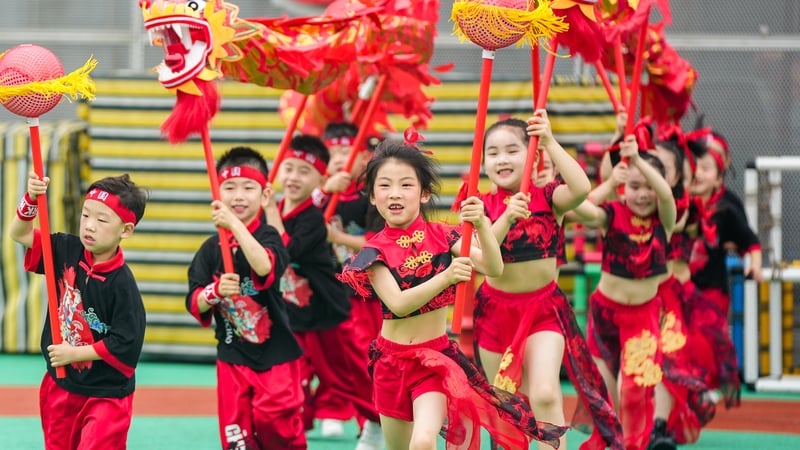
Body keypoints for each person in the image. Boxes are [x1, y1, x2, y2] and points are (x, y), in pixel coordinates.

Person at [338, 140, 568, 450]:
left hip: (434, 360)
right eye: (385, 185)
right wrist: (446, 276)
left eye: (406, 185)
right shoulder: (372, 252)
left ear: (424, 193)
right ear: (374, 196)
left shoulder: (443, 236)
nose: (395, 193)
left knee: (423, 441)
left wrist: (482, 225)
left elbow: (492, 265)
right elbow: (399, 304)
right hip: (390, 363)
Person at [472, 113, 622, 450]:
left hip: (543, 309)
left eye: (512, 150)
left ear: (531, 155)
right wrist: (508, 216)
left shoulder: (549, 196)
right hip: (495, 312)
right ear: (482, 162)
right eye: (493, 153)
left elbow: (582, 189)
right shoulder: (479, 206)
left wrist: (550, 140)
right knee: (505, 401)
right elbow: (482, 257)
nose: (502, 159)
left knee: (544, 392)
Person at [9, 172, 148, 450]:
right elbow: (19, 233)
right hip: (61, 386)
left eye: (102, 219)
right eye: (86, 215)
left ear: (126, 230)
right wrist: (31, 199)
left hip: (106, 394)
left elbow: (126, 342)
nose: (90, 226)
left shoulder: (122, 284)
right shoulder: (65, 248)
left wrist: (75, 353)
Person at [263, 134, 382, 449]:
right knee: (283, 382)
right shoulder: (274, 209)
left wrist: (270, 213)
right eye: (288, 168)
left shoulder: (313, 219)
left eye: (304, 171)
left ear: (320, 178)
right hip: (292, 315)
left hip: (328, 316)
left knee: (348, 380)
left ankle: (378, 423)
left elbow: (282, 252)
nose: (292, 177)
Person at [185, 146, 305, 449]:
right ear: (217, 194)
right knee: (237, 437)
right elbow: (194, 301)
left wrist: (234, 226)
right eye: (229, 188)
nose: (238, 196)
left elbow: (265, 267)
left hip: (275, 354)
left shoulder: (269, 236)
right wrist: (214, 293)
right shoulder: (210, 249)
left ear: (265, 196)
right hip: (232, 356)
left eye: (248, 188)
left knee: (275, 424)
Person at [571, 135, 677, 450]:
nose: (642, 194)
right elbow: (578, 209)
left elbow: (667, 196)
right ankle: (606, 443)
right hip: (605, 314)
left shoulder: (665, 220)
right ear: (623, 189)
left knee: (633, 390)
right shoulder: (611, 215)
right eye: (633, 186)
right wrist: (611, 182)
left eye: (648, 186)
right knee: (604, 393)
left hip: (642, 317)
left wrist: (638, 161)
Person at [306, 122, 384, 444]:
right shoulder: (319, 195)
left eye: (346, 151)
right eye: (333, 152)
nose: (339, 158)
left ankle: (373, 418)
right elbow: (297, 218)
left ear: (363, 158)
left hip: (364, 295)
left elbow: (377, 240)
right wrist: (325, 192)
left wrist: (337, 236)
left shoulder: (372, 196)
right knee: (316, 359)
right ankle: (318, 412)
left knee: (364, 357)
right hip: (324, 293)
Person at [683, 130, 763, 410]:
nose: (699, 175)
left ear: (719, 174)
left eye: (706, 168)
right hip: (680, 286)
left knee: (702, 339)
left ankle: (701, 386)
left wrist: (753, 262)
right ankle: (683, 392)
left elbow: (749, 241)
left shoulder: (727, 208)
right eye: (695, 167)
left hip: (711, 289)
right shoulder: (677, 203)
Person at [647, 130, 708, 449]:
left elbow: (676, 215)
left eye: (661, 166)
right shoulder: (634, 201)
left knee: (670, 361)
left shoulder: (683, 208)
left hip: (672, 298)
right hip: (638, 297)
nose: (651, 168)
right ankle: (643, 426)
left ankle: (660, 427)